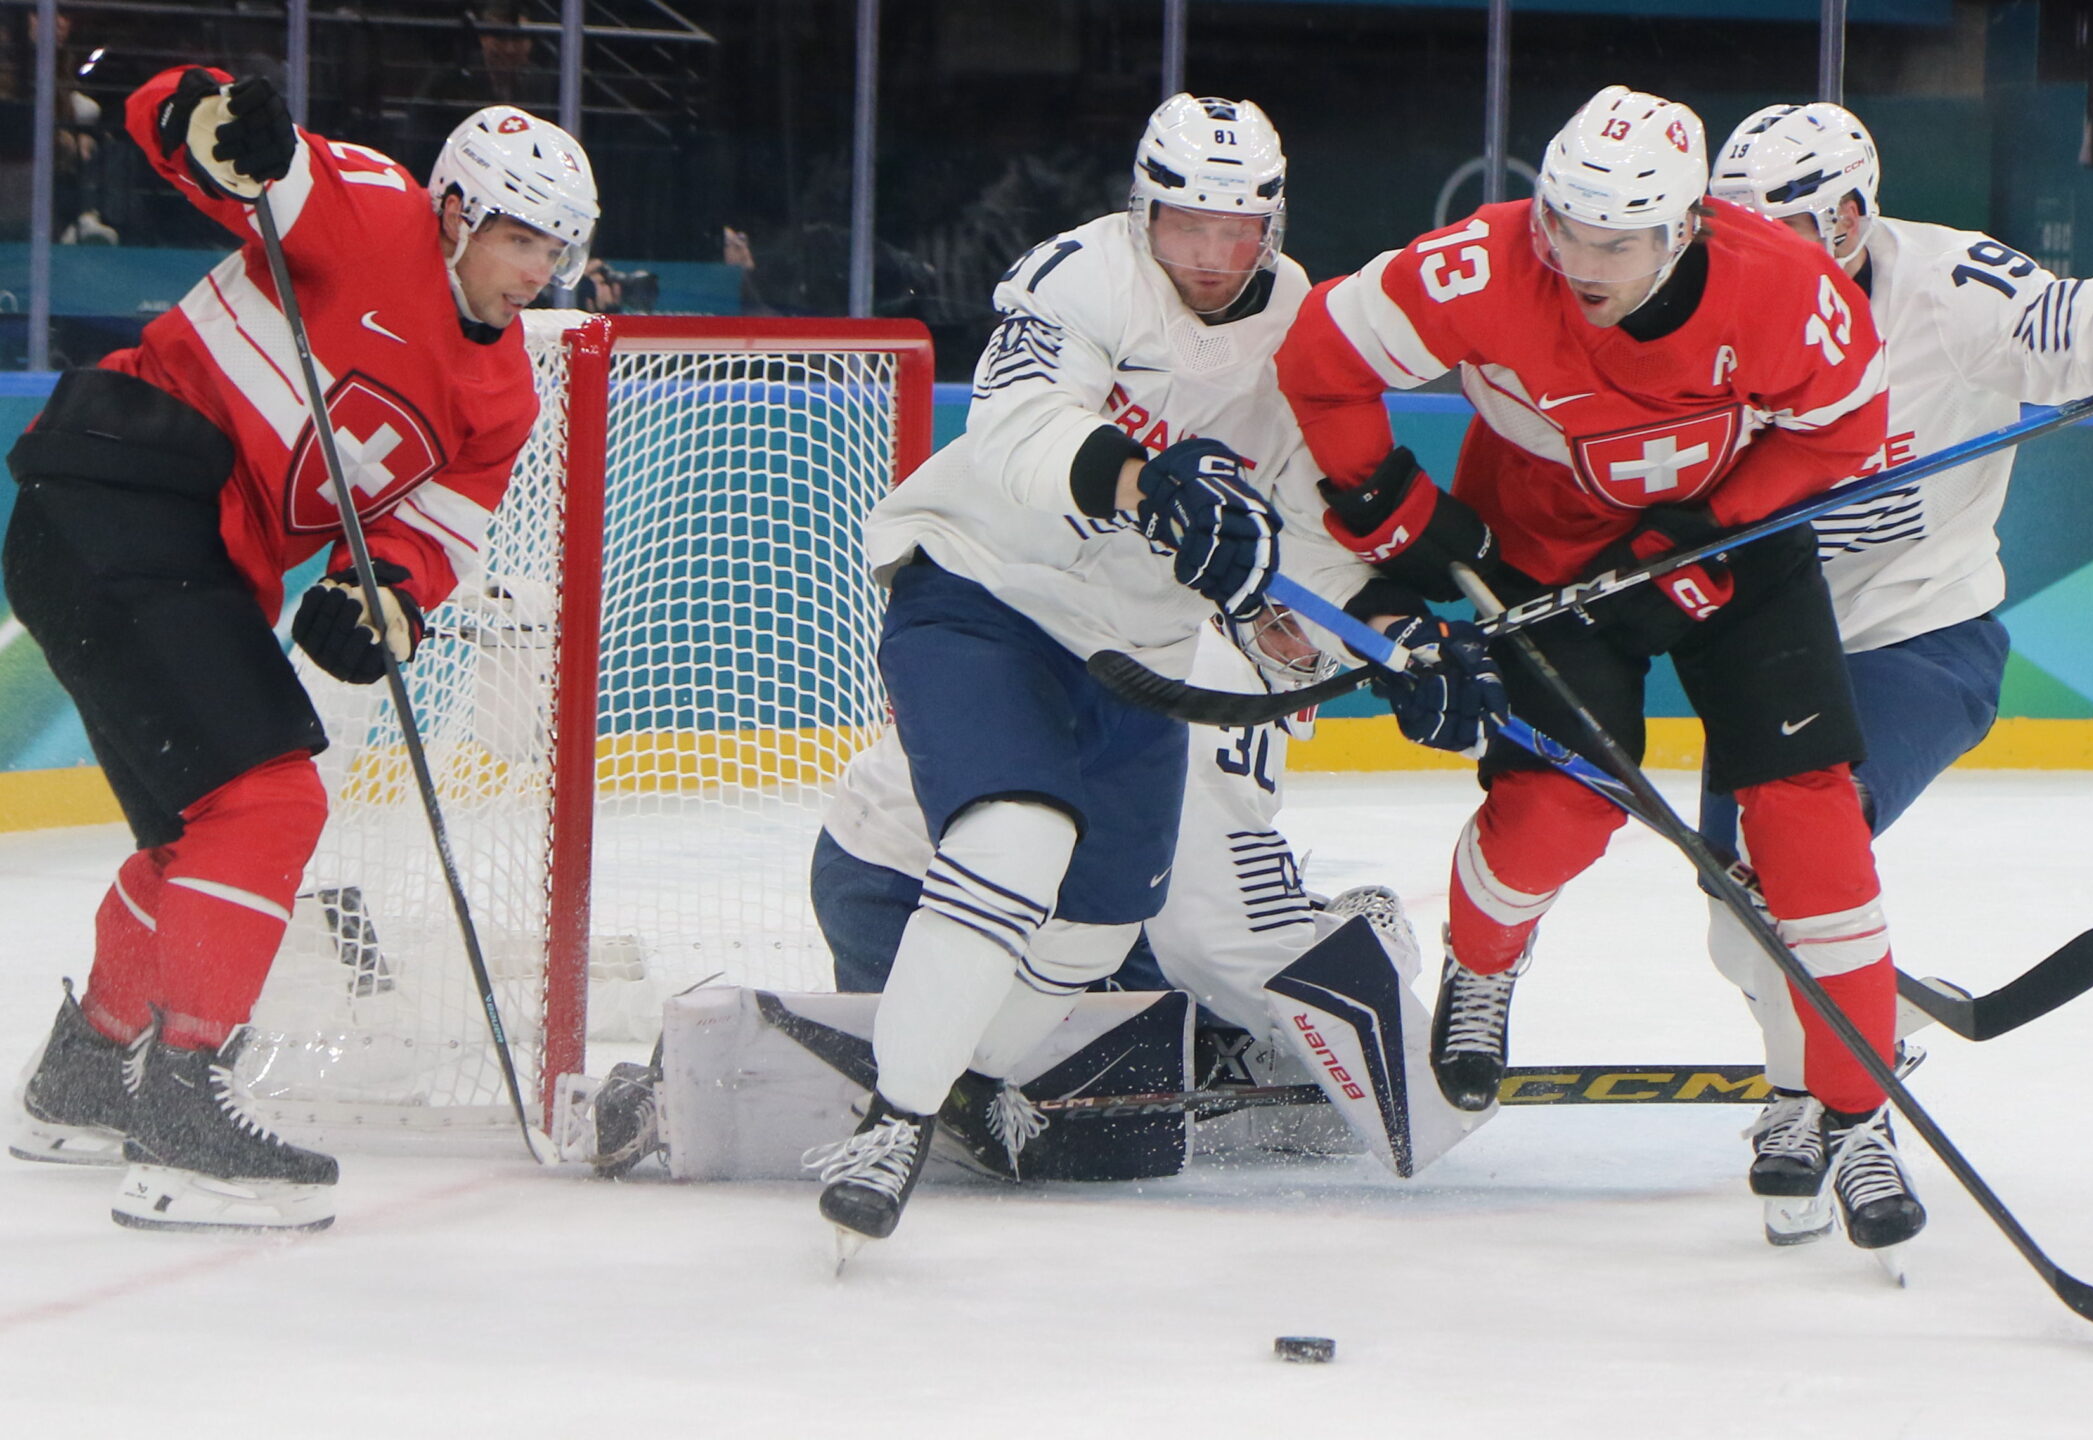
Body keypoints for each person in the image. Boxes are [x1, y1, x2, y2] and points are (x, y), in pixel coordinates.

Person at [806, 94, 1504, 1252]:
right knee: (1016, 832)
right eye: (1189, 226)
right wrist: (1145, 483)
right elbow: (1017, 426)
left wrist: (1393, 638)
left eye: (1240, 229)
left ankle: (945, 1071)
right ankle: (895, 1122)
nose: (1214, 255)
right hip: (988, 596)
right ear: (1144, 211)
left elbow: (1301, 533)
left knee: (1093, 934)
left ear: (1273, 224)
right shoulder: (1081, 276)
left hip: (1135, 653)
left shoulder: (1298, 326)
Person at [1276, 84, 1944, 1253]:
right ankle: (1484, 965)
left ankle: (1855, 1110)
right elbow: (1319, 357)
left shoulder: (1787, 289)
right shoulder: (1480, 266)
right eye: (1565, 228)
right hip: (1546, 557)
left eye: (1616, 242)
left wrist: (1711, 532)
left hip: (1731, 551)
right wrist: (1386, 501)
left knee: (1809, 818)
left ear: (1683, 226)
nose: (1580, 262)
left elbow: (1840, 433)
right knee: (1557, 809)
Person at [3, 65, 598, 1233]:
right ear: (456, 211)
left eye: (556, 250)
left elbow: (431, 537)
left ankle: (87, 1073)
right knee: (270, 803)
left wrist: (385, 600)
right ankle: (183, 1118)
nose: (537, 272)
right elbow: (204, 141)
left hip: (179, 553)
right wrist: (206, 110)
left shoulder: (503, 398)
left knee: (200, 836)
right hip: (123, 480)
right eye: (520, 240)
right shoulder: (368, 207)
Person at [1707, 102, 2093, 1244]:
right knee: (1734, 912)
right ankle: (1819, 1068)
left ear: (1850, 216)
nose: (1751, 257)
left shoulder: (1945, 286)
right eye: (1734, 232)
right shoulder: (1705, 307)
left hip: (1921, 637)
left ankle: (1843, 1109)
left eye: (1783, 230)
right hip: (1766, 644)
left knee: (1794, 846)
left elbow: (2067, 320)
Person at [794, 607, 1477, 1181]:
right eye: (1282, 625)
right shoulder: (1212, 684)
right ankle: (1266, 1022)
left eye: (1318, 635)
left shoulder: (1188, 632)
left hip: (909, 874)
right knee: (1110, 1125)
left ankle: (1259, 1012)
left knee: (1148, 987)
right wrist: (1383, 1048)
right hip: (921, 899)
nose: (1304, 650)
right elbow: (1213, 938)